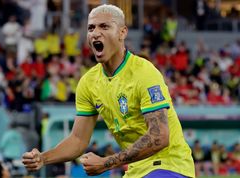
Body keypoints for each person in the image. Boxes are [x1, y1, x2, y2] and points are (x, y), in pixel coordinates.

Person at [22, 4, 195, 178]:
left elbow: (160, 136)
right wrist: (43, 158)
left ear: (122, 33)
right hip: (136, 171)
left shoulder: (144, 72)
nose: (95, 33)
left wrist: (106, 163)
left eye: (104, 26)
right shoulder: (88, 83)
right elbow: (78, 140)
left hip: (169, 165)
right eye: (91, 28)